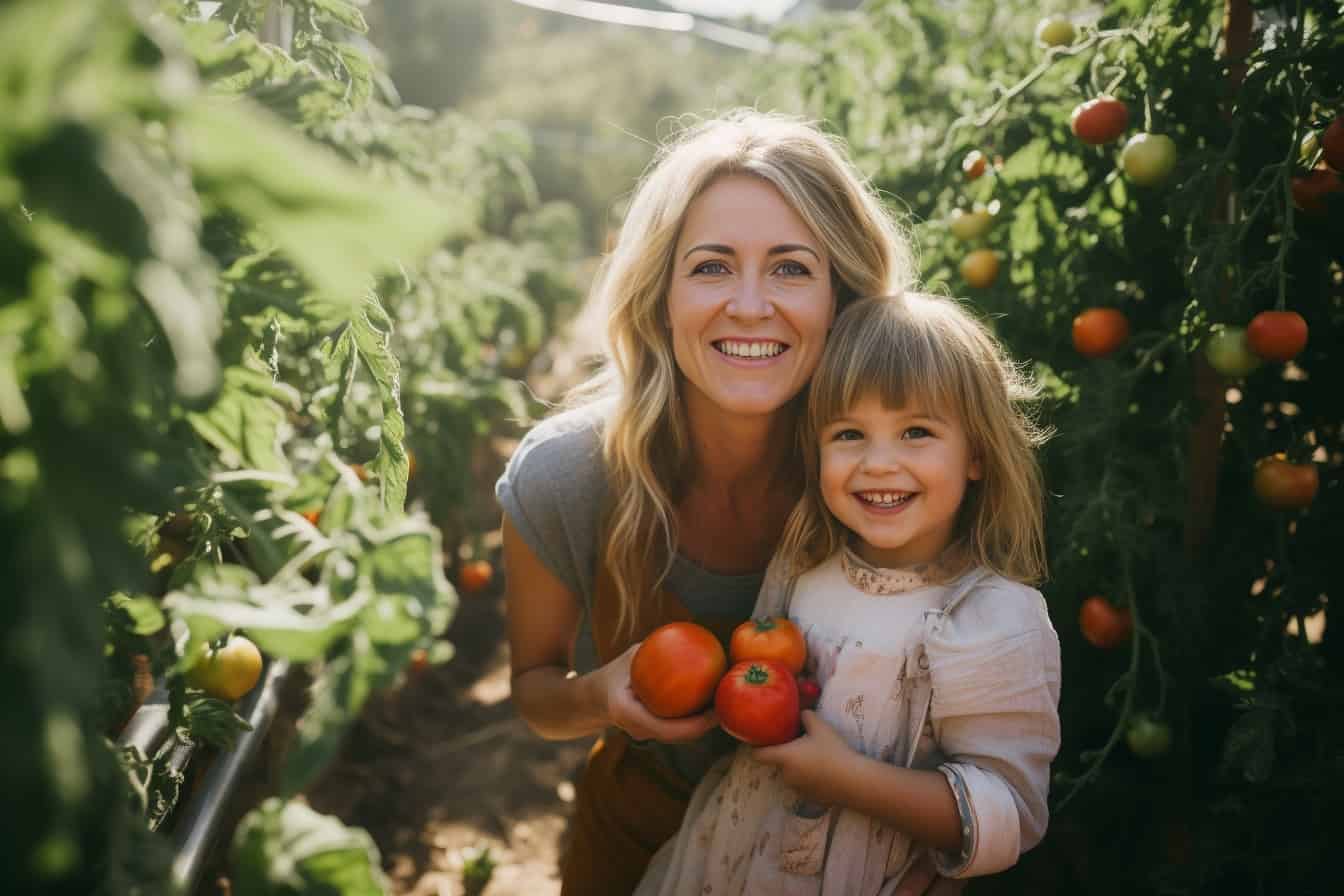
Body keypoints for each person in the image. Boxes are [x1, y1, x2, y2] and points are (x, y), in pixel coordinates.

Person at [495, 110, 949, 895]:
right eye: (710, 267)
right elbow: (536, 694)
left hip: (843, 861)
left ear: (842, 296)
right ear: (660, 295)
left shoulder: (890, 478)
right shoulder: (569, 477)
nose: (748, 304)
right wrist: (599, 695)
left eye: (790, 269)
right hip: (637, 837)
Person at [634, 293, 1063, 895]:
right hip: (733, 860)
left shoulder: (987, 618)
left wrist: (848, 780)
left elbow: (1010, 813)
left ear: (978, 454)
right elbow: (759, 688)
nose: (879, 463)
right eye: (850, 434)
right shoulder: (804, 564)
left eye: (916, 432)